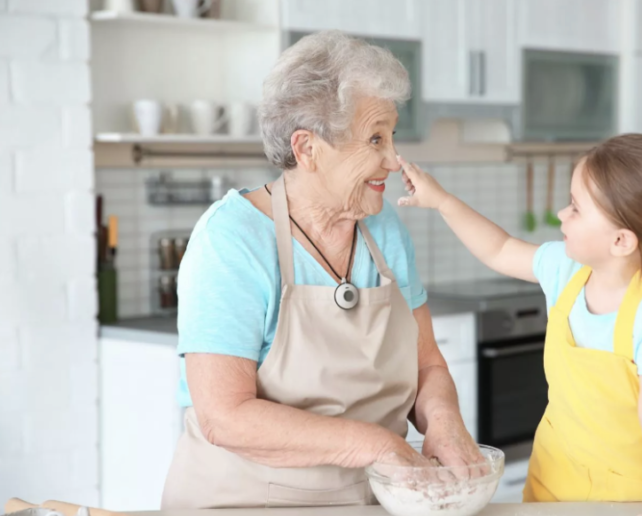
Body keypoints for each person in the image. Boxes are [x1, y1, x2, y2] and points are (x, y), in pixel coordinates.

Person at [161, 30, 482, 509]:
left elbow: (427, 364)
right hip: (245, 502)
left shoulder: (385, 228)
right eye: (375, 138)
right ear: (307, 148)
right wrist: (378, 445)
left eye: (392, 136)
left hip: (371, 497)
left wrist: (444, 421)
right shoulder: (231, 240)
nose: (393, 160)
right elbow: (224, 417)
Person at [397, 133, 642, 516]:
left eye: (576, 209)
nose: (562, 215)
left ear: (621, 240)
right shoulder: (565, 270)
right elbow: (499, 249)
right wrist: (443, 202)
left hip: (625, 496)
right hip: (552, 480)